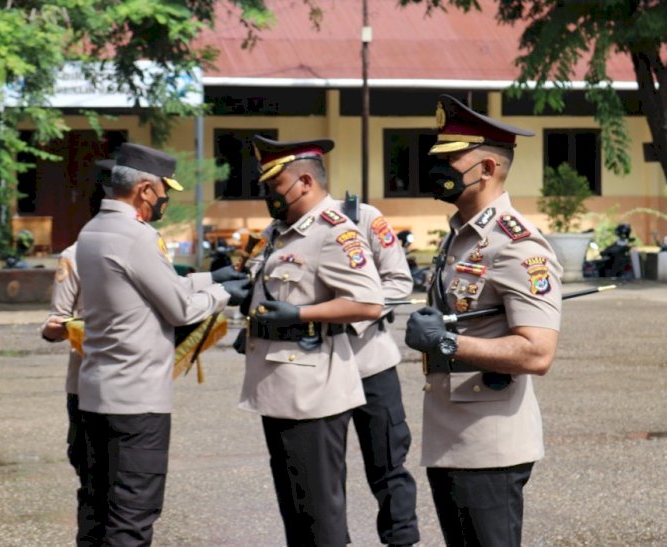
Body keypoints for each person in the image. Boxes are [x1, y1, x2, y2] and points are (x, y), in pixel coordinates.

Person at [404, 94, 563, 547]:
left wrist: (447, 343)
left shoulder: (516, 244)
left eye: (452, 159)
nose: (440, 168)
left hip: (489, 446)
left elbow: (538, 351)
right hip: (452, 437)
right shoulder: (461, 236)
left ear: (488, 169)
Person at [75, 142, 249, 546]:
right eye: (163, 190)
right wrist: (225, 295)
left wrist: (214, 280)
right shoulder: (135, 236)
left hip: (98, 393)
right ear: (144, 190)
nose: (166, 199)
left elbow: (155, 286)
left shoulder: (92, 231)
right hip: (137, 403)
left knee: (98, 511)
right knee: (133, 517)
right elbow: (181, 308)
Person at [240, 135, 384, 546]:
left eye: (274, 185)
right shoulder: (281, 232)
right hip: (280, 388)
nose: (268, 194)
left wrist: (301, 315)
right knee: (297, 514)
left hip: (314, 395)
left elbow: (368, 302)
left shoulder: (335, 232)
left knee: (320, 516)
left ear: (304, 181)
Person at [334, 195, 420, 546]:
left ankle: (400, 540)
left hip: (371, 362)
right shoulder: (286, 227)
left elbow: (399, 282)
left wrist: (351, 316)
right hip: (317, 369)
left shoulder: (363, 217)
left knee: (388, 464)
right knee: (323, 474)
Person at [40, 159, 114, 533]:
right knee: (92, 482)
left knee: (128, 492)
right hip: (85, 387)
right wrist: (60, 328)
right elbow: (56, 321)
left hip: (135, 389)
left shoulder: (153, 250)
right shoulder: (73, 255)